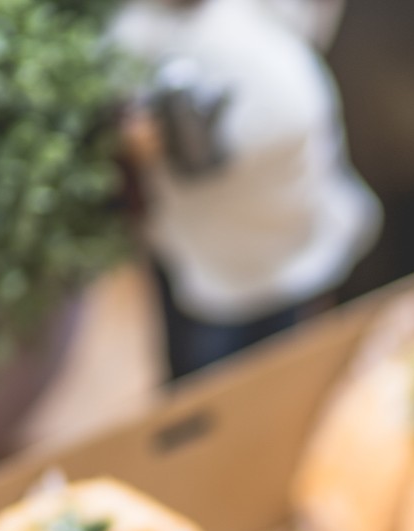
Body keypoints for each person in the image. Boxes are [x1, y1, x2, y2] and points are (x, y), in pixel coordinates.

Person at [113, 0, 379, 380]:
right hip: (216, 268)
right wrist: (139, 136)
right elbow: (129, 128)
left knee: (298, 368)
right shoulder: (138, 33)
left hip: (294, 238)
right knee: (213, 385)